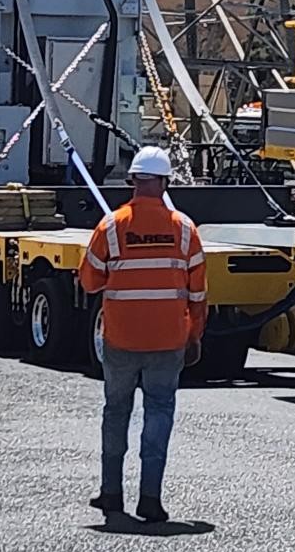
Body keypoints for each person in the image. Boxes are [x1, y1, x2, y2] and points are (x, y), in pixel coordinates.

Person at [79, 144, 206, 522]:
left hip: (120, 338)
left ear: (133, 180)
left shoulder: (112, 226)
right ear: (165, 182)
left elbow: (89, 281)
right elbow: (198, 292)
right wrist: (194, 335)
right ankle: (150, 498)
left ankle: (111, 493)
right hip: (168, 339)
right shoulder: (184, 230)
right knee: (159, 412)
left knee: (116, 411)